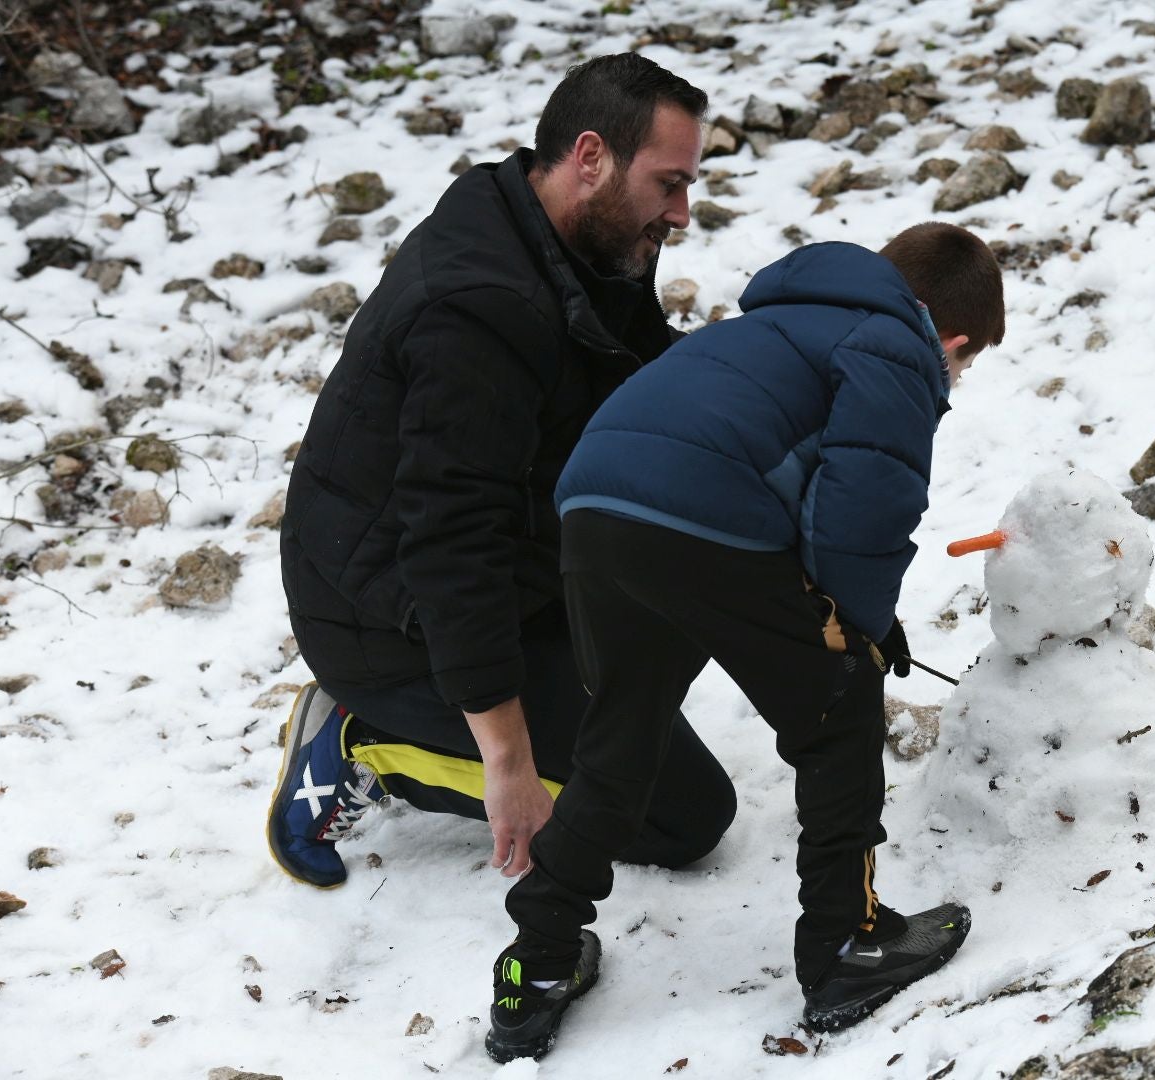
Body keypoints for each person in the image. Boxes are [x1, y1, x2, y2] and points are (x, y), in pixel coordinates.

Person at [485, 223, 1007, 1061]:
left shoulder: (764, 326)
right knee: (840, 706)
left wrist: (847, 612)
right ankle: (848, 943)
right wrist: (860, 634)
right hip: (703, 518)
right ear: (953, 337)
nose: (958, 376)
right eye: (967, 363)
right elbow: (864, 506)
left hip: (593, 512)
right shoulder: (898, 346)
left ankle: (537, 966)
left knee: (621, 739)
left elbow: (780, 470)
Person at [269, 54, 735, 896]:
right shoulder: (478, 306)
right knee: (682, 817)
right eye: (669, 183)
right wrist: (510, 761)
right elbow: (451, 543)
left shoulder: (567, 233)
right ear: (589, 157)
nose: (683, 213)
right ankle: (362, 740)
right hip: (389, 620)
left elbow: (634, 371)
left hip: (513, 567)